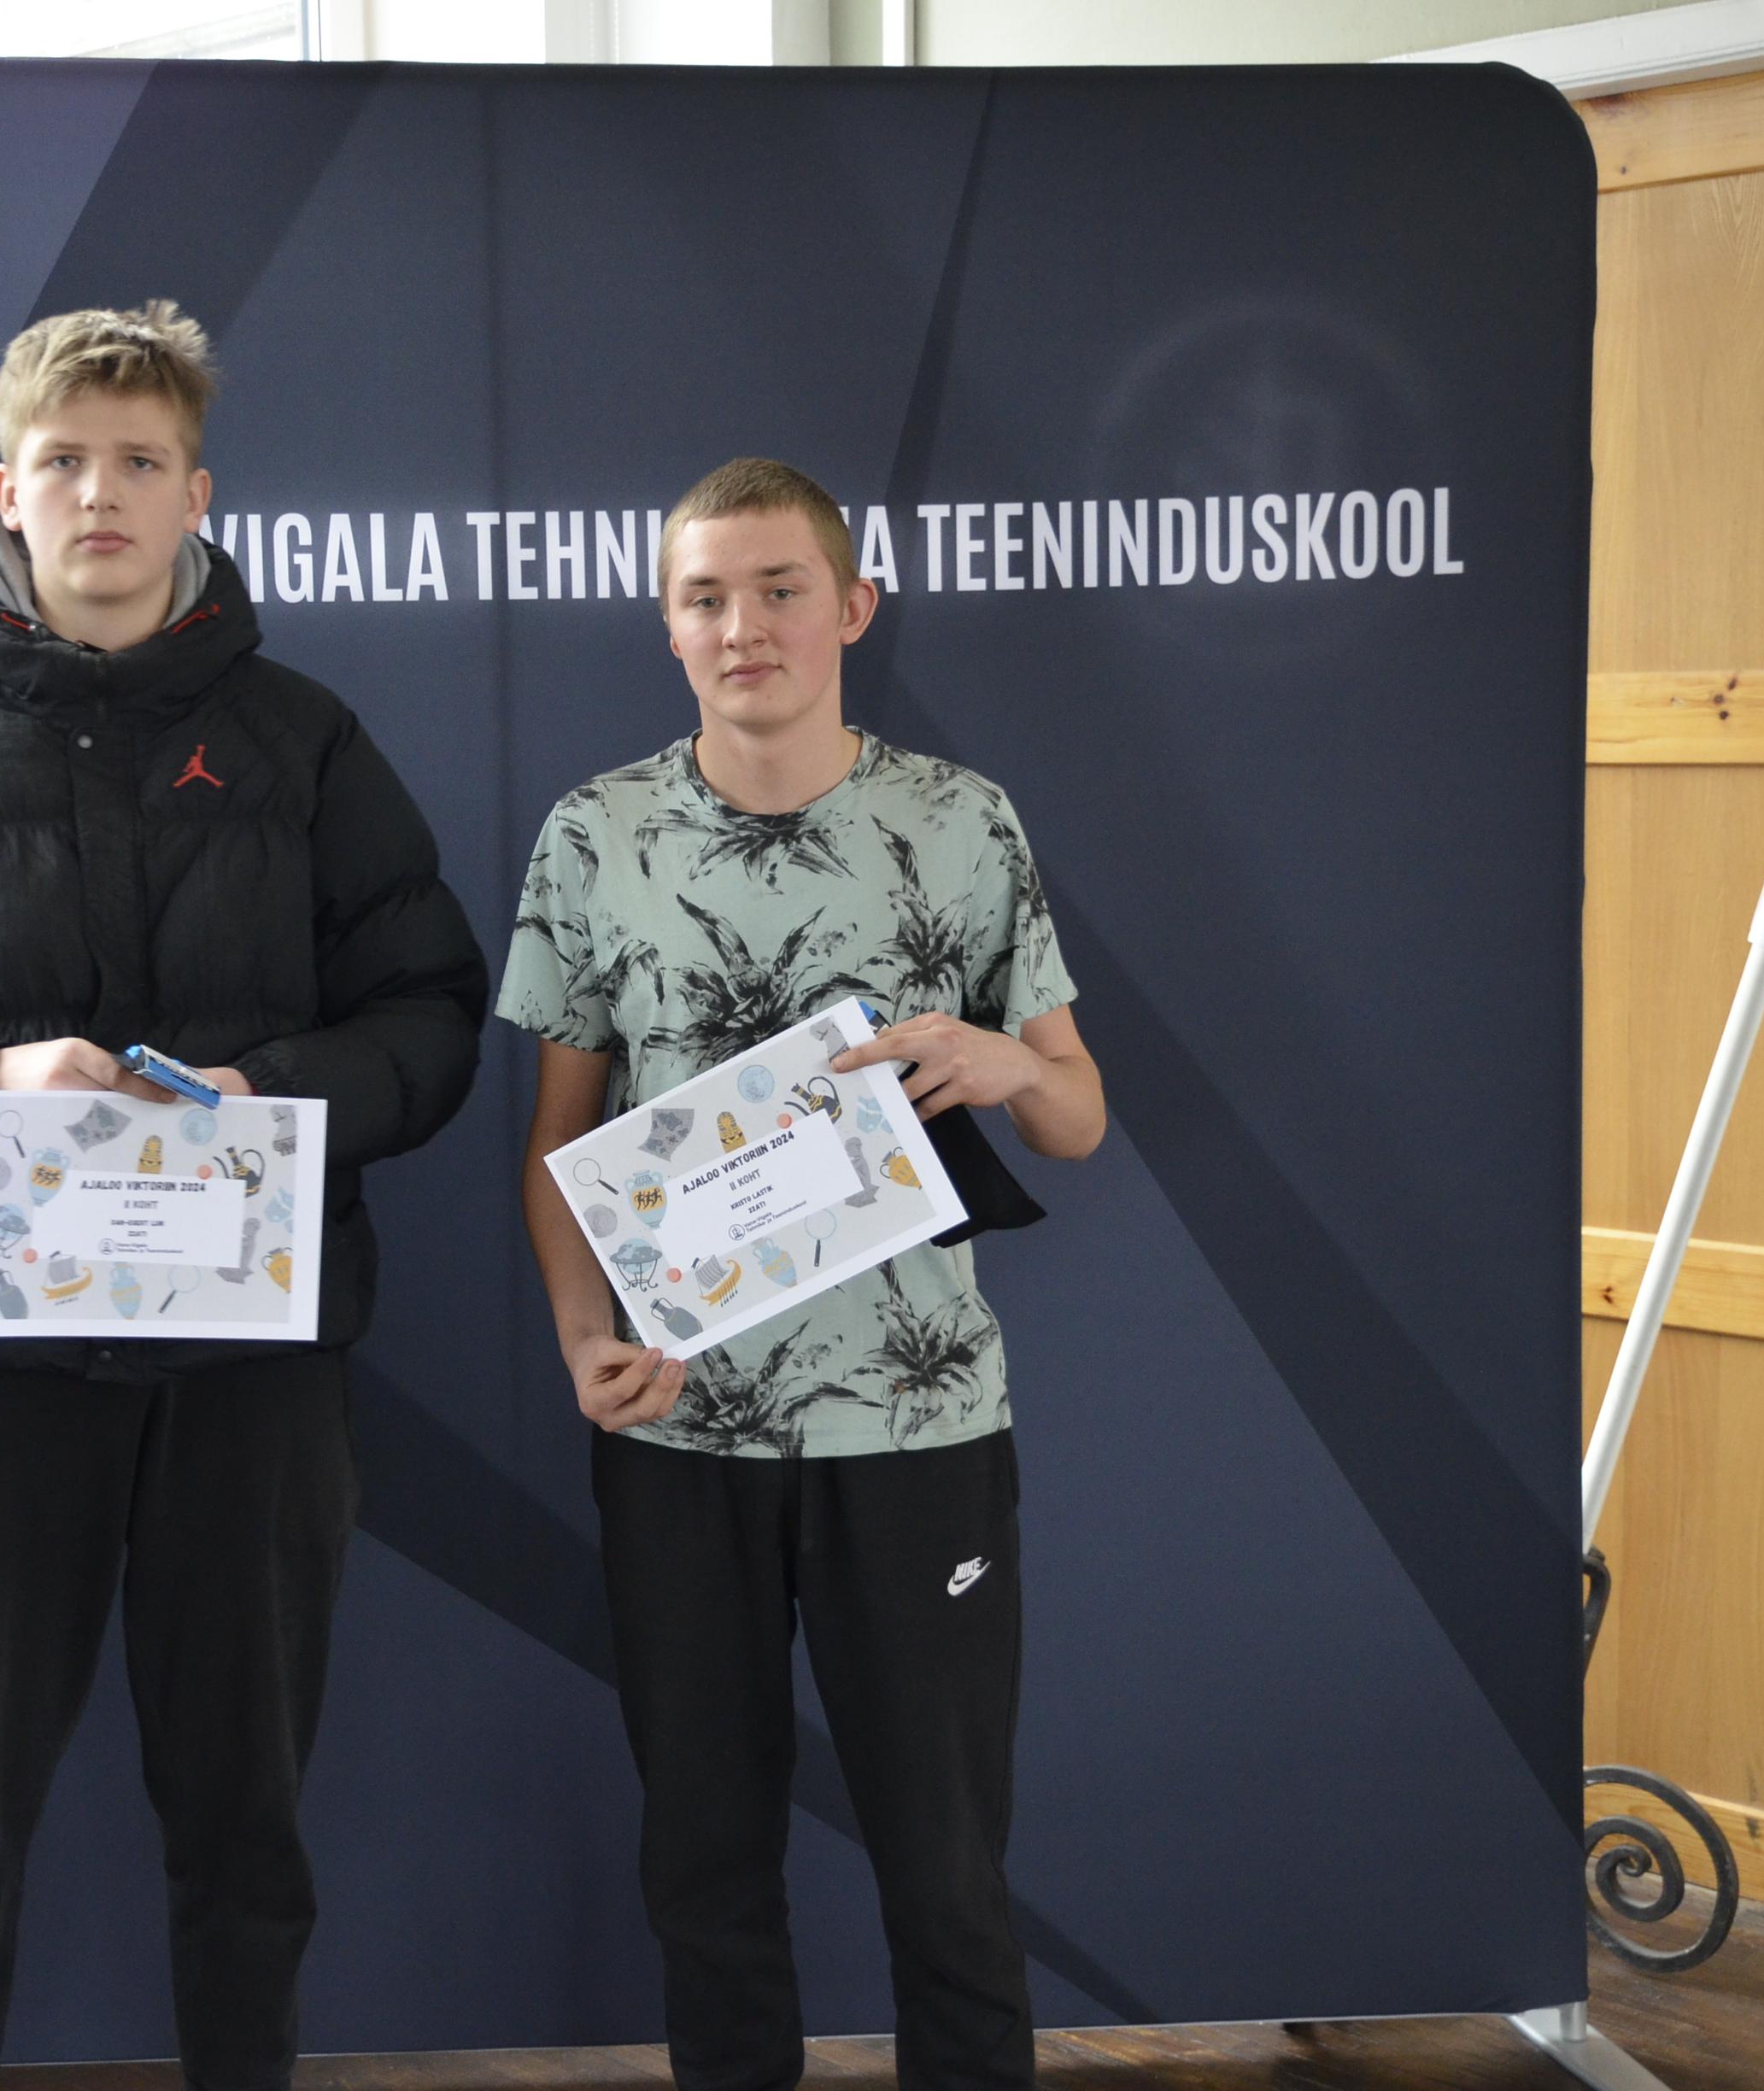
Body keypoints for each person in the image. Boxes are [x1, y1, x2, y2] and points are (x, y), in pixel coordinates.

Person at [0, 300, 486, 2091]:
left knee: (248, 1844)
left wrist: (276, 1097)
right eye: (65, 461)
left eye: (142, 461)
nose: (102, 494)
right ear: (9, 490)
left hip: (251, 1379)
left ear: (197, 493)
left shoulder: (303, 739)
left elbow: (433, 1022)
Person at [499, 458, 1105, 2091]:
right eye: (706, 597)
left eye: (779, 590)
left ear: (852, 607)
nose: (743, 626)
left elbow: (1078, 1118)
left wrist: (1006, 1062)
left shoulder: (962, 820)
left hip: (918, 1431)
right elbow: (559, 1144)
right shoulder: (596, 835)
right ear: (667, 624)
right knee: (704, 1867)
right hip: (680, 1432)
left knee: (950, 1870)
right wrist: (581, 1340)